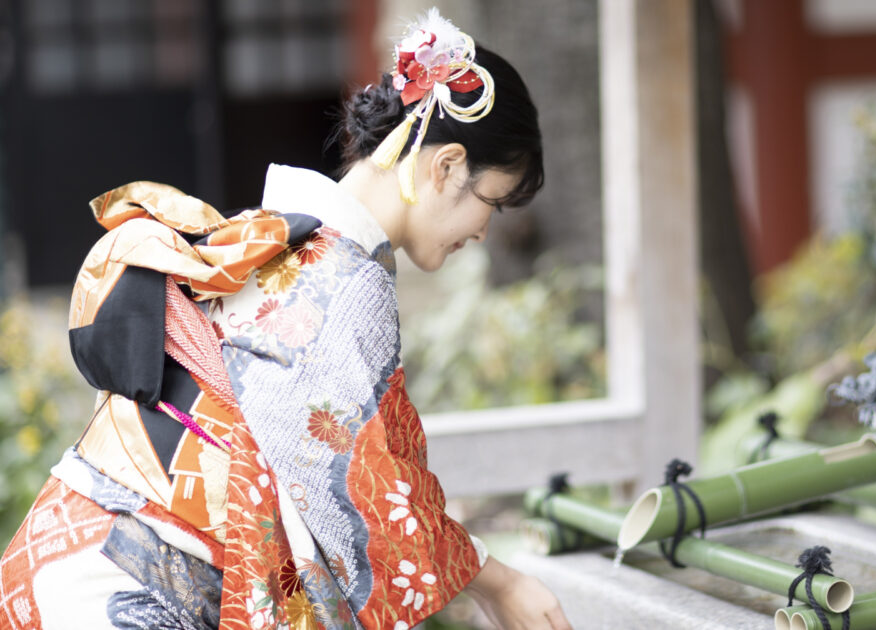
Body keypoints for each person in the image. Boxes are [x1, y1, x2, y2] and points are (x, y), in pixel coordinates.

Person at [0, 9, 572, 630]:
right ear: (446, 165)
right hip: (124, 585)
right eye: (493, 203)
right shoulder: (343, 278)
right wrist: (502, 584)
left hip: (71, 556)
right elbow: (366, 494)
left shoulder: (290, 241)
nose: (485, 232)